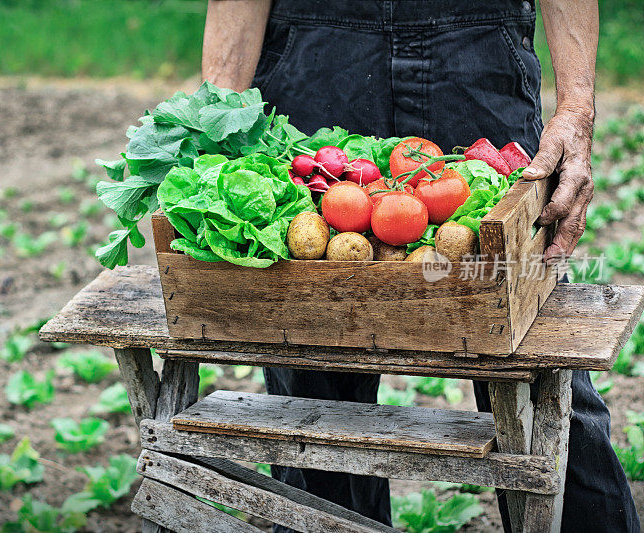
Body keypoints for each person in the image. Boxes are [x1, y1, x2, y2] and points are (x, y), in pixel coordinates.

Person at [201, 1, 640, 531]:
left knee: (536, 365)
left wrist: (575, 110)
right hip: (314, 53)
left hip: (475, 50)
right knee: (311, 375)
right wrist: (217, 116)